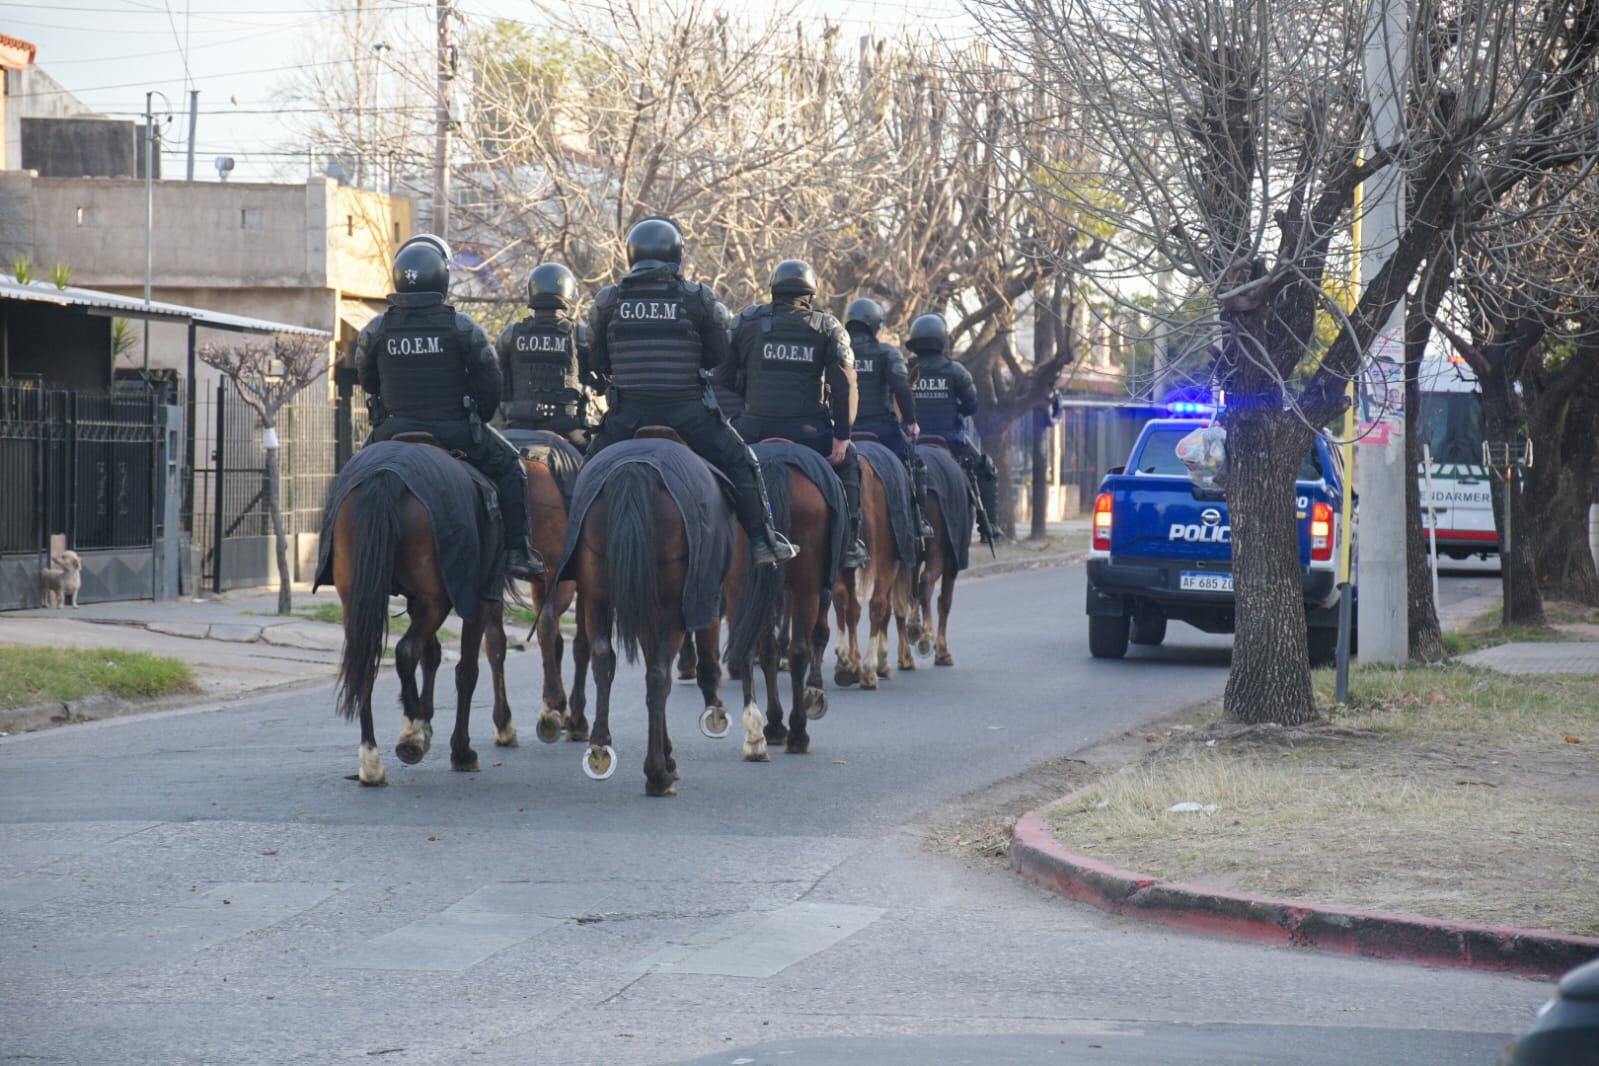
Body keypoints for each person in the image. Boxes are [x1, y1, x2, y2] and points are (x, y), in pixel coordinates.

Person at [586, 219, 795, 567]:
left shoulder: (607, 301)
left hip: (627, 416)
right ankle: (762, 539)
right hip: (688, 415)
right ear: (676, 255)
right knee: (742, 461)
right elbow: (718, 355)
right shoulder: (697, 298)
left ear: (632, 255)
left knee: (586, 473)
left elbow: (596, 360)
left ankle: (570, 548)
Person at [355, 233, 544, 579]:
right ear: (442, 278)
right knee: (512, 467)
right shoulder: (462, 328)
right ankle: (518, 552)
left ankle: (334, 554)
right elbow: (490, 383)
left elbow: (366, 381)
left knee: (349, 479)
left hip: (392, 431)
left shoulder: (375, 329)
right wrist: (479, 418)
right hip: (453, 431)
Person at [725, 259, 868, 569]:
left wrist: (736, 418)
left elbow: (721, 378)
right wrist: (842, 437)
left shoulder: (744, 322)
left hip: (752, 432)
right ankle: (848, 545)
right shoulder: (828, 328)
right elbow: (845, 386)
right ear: (810, 293)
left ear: (774, 290)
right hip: (810, 436)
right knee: (851, 463)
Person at [904, 311, 999, 543]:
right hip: (950, 442)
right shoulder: (956, 371)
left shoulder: (904, 370)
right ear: (942, 340)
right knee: (986, 469)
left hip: (909, 443)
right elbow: (971, 406)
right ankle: (988, 526)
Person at [845, 297, 934, 541]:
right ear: (875, 324)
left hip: (842, 431)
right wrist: (911, 421)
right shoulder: (886, 353)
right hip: (880, 430)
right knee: (915, 464)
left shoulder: (835, 350)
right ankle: (919, 520)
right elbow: (900, 387)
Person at [496, 262, 601, 449]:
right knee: (596, 463)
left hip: (519, 423)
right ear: (567, 291)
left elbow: (497, 378)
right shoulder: (579, 334)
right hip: (567, 428)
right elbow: (600, 375)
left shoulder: (511, 334)